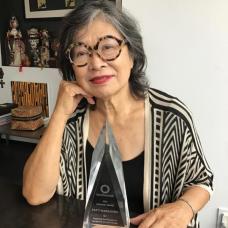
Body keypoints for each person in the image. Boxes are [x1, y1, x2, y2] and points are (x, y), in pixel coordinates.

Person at [22, 1, 213, 227]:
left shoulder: (171, 115)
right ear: (71, 66)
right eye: (82, 52)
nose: (96, 63)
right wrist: (59, 115)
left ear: (132, 55)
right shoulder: (70, 123)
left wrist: (184, 207)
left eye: (108, 47)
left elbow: (201, 181)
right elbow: (35, 194)